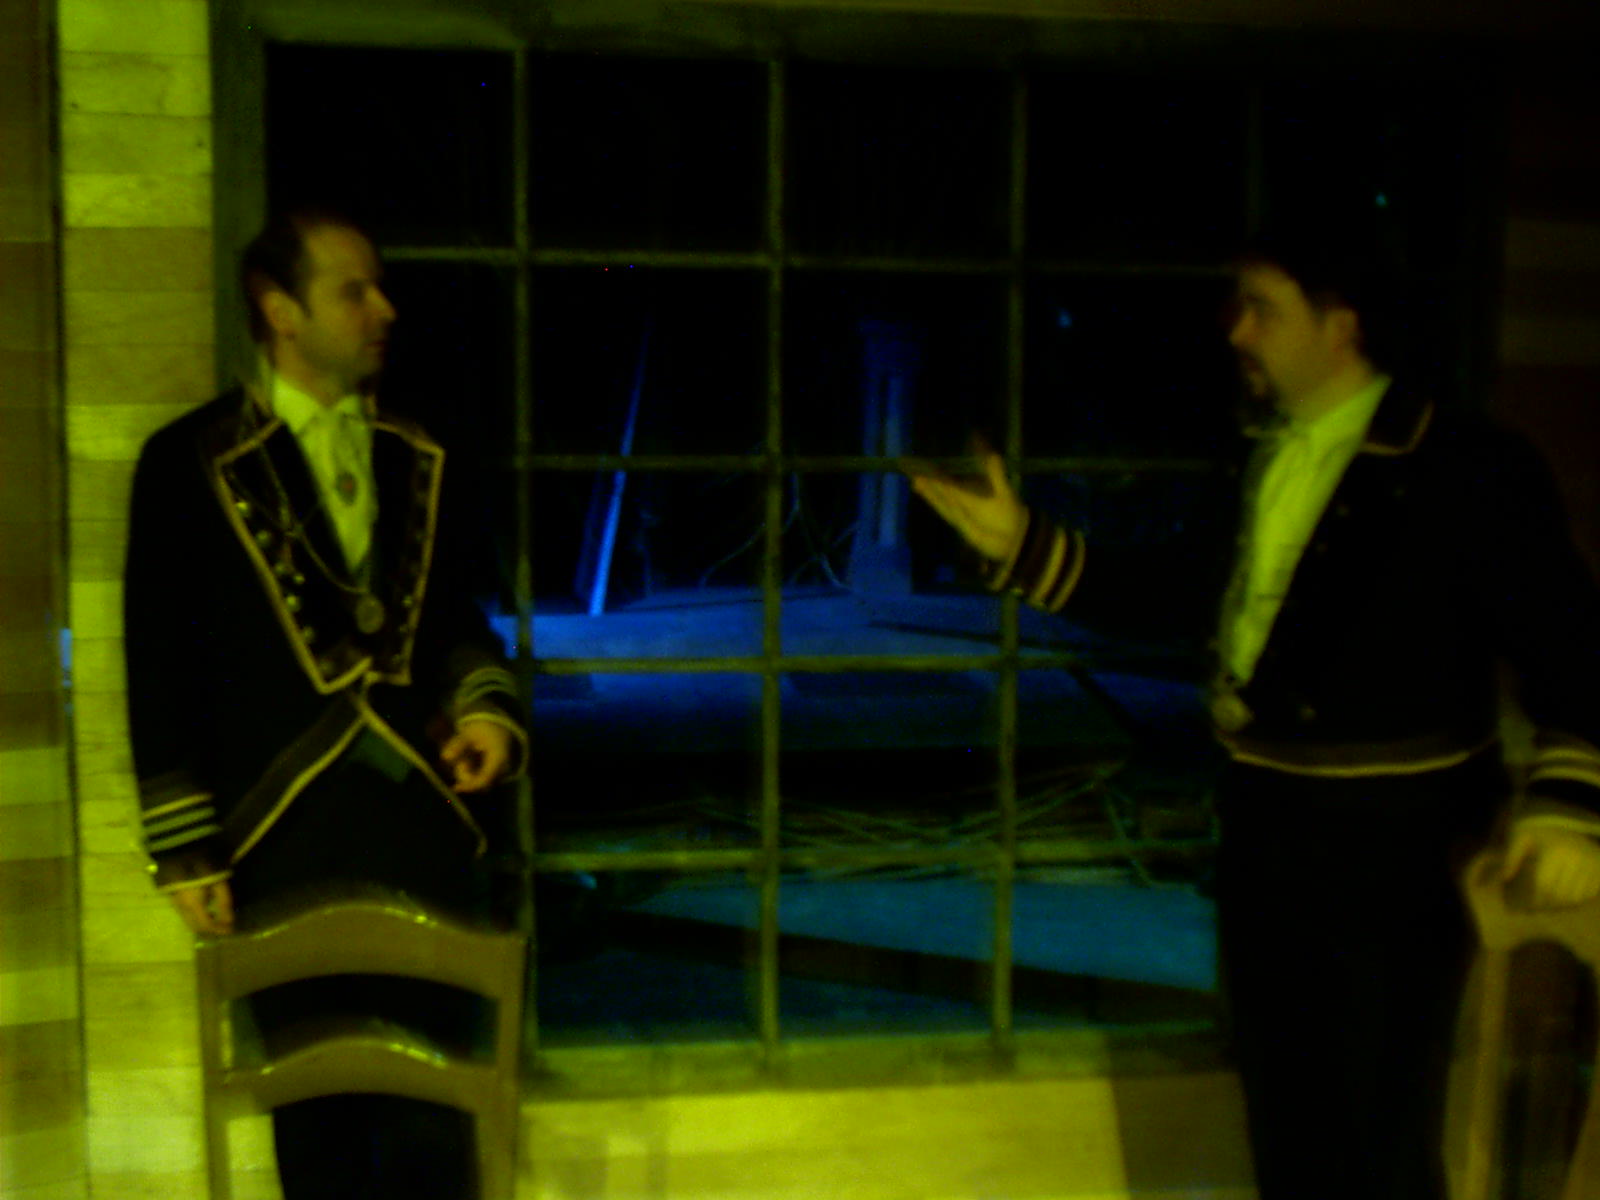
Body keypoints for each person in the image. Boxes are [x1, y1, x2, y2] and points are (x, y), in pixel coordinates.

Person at [909, 228, 1600, 1199]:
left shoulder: (1466, 465)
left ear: (1340, 324)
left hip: (1394, 855)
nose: (1235, 330)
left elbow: (1572, 642)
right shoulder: (1259, 457)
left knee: (1377, 1139)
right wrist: (1022, 542)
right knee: (1287, 1125)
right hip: (1269, 838)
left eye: (1263, 309)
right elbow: (1178, 591)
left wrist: (1568, 807)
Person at [123, 206, 525, 1199]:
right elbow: (158, 660)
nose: (385, 309)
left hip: (420, 826)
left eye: (379, 288)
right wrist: (186, 849)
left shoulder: (423, 449)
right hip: (278, 832)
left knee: (436, 1120)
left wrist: (485, 710)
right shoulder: (188, 461)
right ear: (280, 311)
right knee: (317, 1133)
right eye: (354, 291)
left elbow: (457, 617)